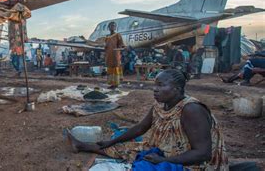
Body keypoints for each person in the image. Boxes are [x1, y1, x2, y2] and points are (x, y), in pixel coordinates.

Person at [66, 69, 229, 170]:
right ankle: (81, 145)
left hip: (193, 163)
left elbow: (203, 153)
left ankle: (82, 145)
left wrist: (164, 160)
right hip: (164, 151)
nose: (155, 89)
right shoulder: (161, 105)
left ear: (177, 89)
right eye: (155, 84)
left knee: (144, 163)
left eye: (160, 85)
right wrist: (111, 142)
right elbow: (140, 128)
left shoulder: (192, 110)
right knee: (123, 148)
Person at [104, 22, 125, 88]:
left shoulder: (117, 35)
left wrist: (121, 47)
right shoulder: (107, 37)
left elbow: (121, 44)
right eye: (111, 26)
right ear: (109, 27)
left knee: (115, 68)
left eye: (114, 26)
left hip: (115, 55)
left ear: (115, 27)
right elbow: (105, 45)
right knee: (110, 69)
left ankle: (116, 84)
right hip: (108, 55)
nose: (112, 27)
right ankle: (111, 84)